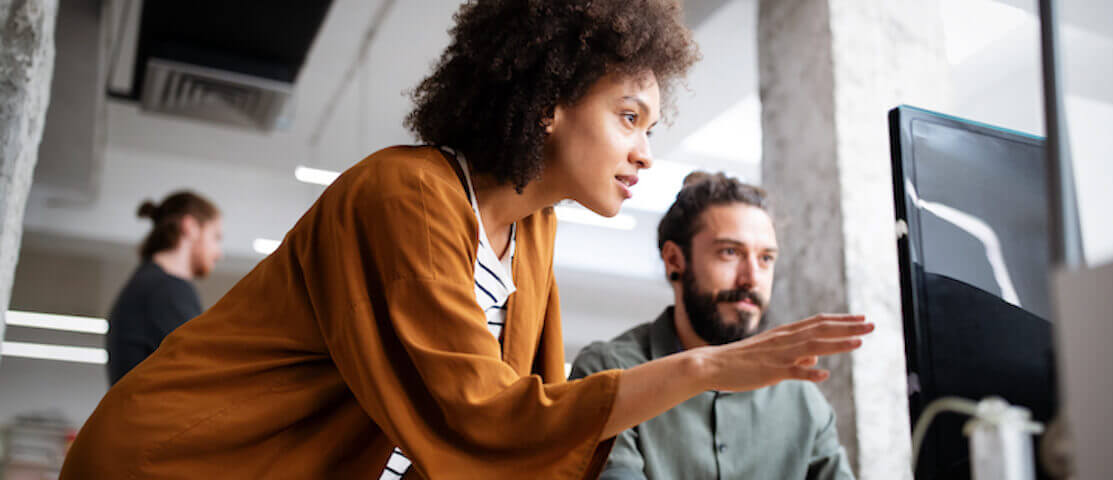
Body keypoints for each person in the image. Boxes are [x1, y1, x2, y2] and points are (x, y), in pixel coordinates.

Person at [61, 1, 873, 478]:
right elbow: (482, 417)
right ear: (550, 100)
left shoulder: (533, 232)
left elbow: (528, 438)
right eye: (628, 117)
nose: (644, 152)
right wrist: (703, 369)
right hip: (177, 465)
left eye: (650, 127)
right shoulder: (406, 192)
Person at [571, 172, 855, 479]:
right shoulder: (607, 374)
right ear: (674, 260)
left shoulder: (801, 396)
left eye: (765, 259)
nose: (751, 278)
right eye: (730, 252)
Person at [105, 191, 223, 385]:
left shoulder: (150, 284)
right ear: (190, 227)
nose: (219, 253)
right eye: (216, 237)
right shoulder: (166, 289)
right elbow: (204, 372)